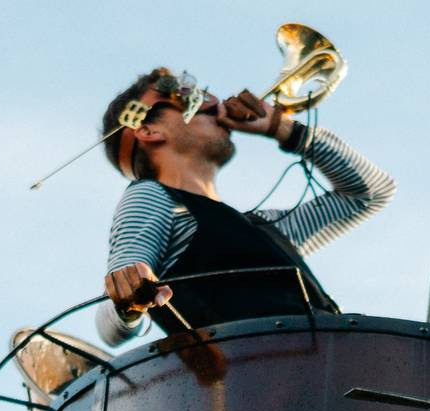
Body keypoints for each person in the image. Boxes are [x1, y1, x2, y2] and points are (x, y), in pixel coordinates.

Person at [94, 68, 395, 345]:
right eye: (182, 97)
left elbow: (370, 193)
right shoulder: (151, 195)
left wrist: (282, 127)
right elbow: (113, 309)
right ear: (148, 130)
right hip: (261, 375)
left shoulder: (264, 228)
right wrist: (129, 297)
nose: (214, 105)